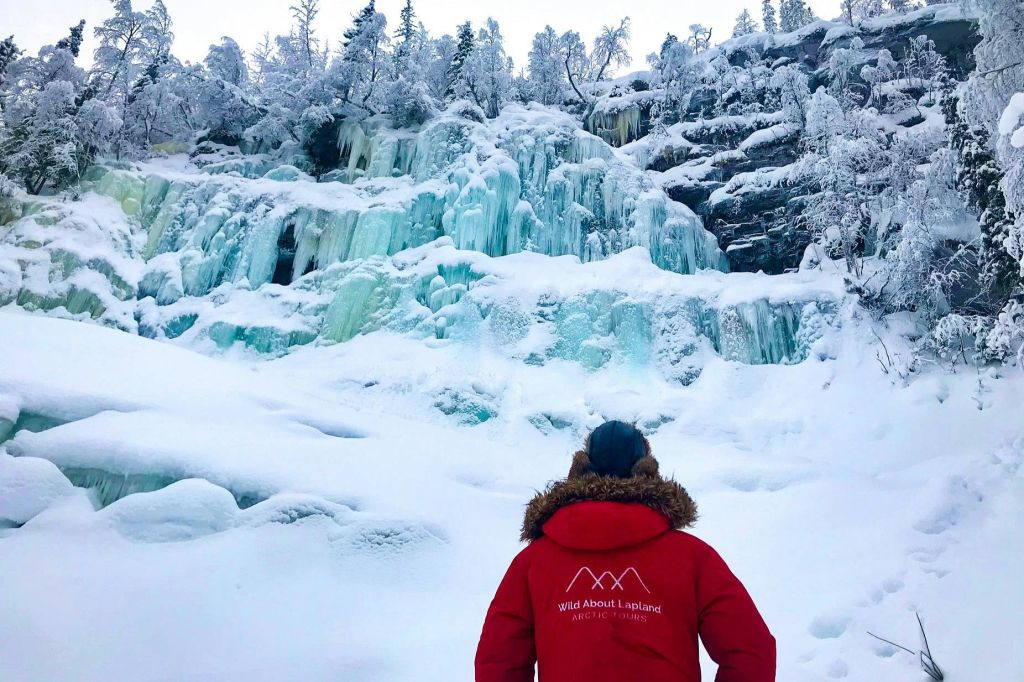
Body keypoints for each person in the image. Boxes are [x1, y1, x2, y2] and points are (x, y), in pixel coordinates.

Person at [475, 420, 776, 682]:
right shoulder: (694, 558)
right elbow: (751, 652)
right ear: (646, 470)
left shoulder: (532, 563)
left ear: (581, 470)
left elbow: (499, 663)